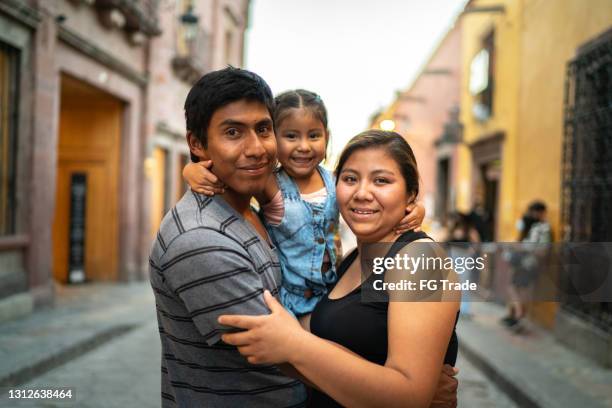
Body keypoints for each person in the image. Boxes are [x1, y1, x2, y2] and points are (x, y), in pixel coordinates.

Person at [219, 130, 460, 407]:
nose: (361, 193)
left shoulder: (421, 260)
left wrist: (295, 345)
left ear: (410, 195)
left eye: (381, 180)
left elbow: (407, 398)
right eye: (350, 179)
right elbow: (325, 367)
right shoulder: (350, 260)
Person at [183, 89, 425, 321]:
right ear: (274, 139)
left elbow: (361, 202)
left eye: (313, 135)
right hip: (289, 300)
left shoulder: (334, 181)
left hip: (329, 292)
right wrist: (191, 170)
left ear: (326, 137)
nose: (304, 146)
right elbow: (231, 177)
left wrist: (414, 207)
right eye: (291, 136)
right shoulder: (270, 183)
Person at [148, 67, 307, 407]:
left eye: (263, 129)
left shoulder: (255, 203)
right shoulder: (200, 239)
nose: (256, 149)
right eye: (233, 132)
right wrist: (403, 384)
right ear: (197, 143)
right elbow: (291, 358)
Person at [501, 200, 552, 329]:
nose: (532, 214)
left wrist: (522, 247)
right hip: (521, 261)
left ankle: (518, 315)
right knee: (515, 287)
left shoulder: (544, 229)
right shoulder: (530, 225)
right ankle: (514, 315)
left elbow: (543, 251)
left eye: (535, 212)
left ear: (541, 213)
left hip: (528, 263)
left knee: (516, 288)